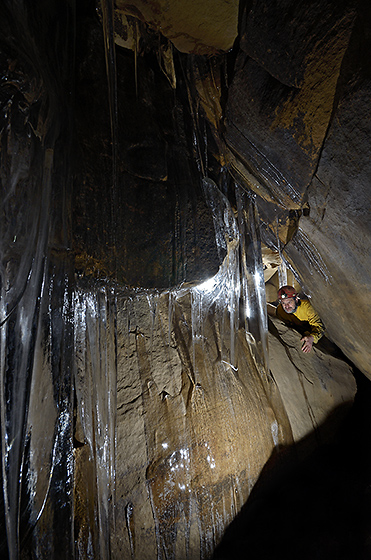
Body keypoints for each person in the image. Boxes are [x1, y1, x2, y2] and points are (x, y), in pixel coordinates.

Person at [276, 285, 325, 353]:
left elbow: (320, 327)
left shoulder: (308, 308)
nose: (286, 306)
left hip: (311, 334)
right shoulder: (280, 310)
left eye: (289, 302)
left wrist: (311, 338)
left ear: (296, 299)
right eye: (283, 303)